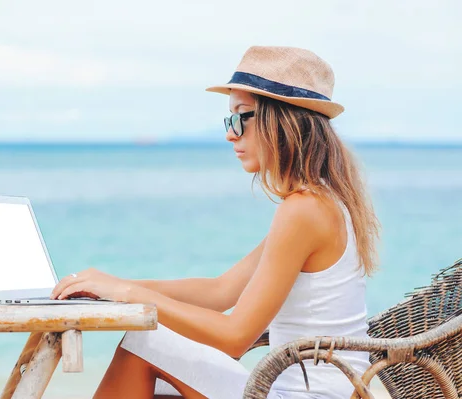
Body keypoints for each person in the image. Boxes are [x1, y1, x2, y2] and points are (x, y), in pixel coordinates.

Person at [51, 46, 381, 399]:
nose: (230, 133)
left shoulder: (303, 210)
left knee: (145, 342)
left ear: (281, 120)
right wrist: (114, 285)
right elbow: (221, 291)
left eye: (240, 116)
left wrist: (130, 295)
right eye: (229, 119)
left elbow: (234, 337)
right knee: (153, 366)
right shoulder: (321, 202)